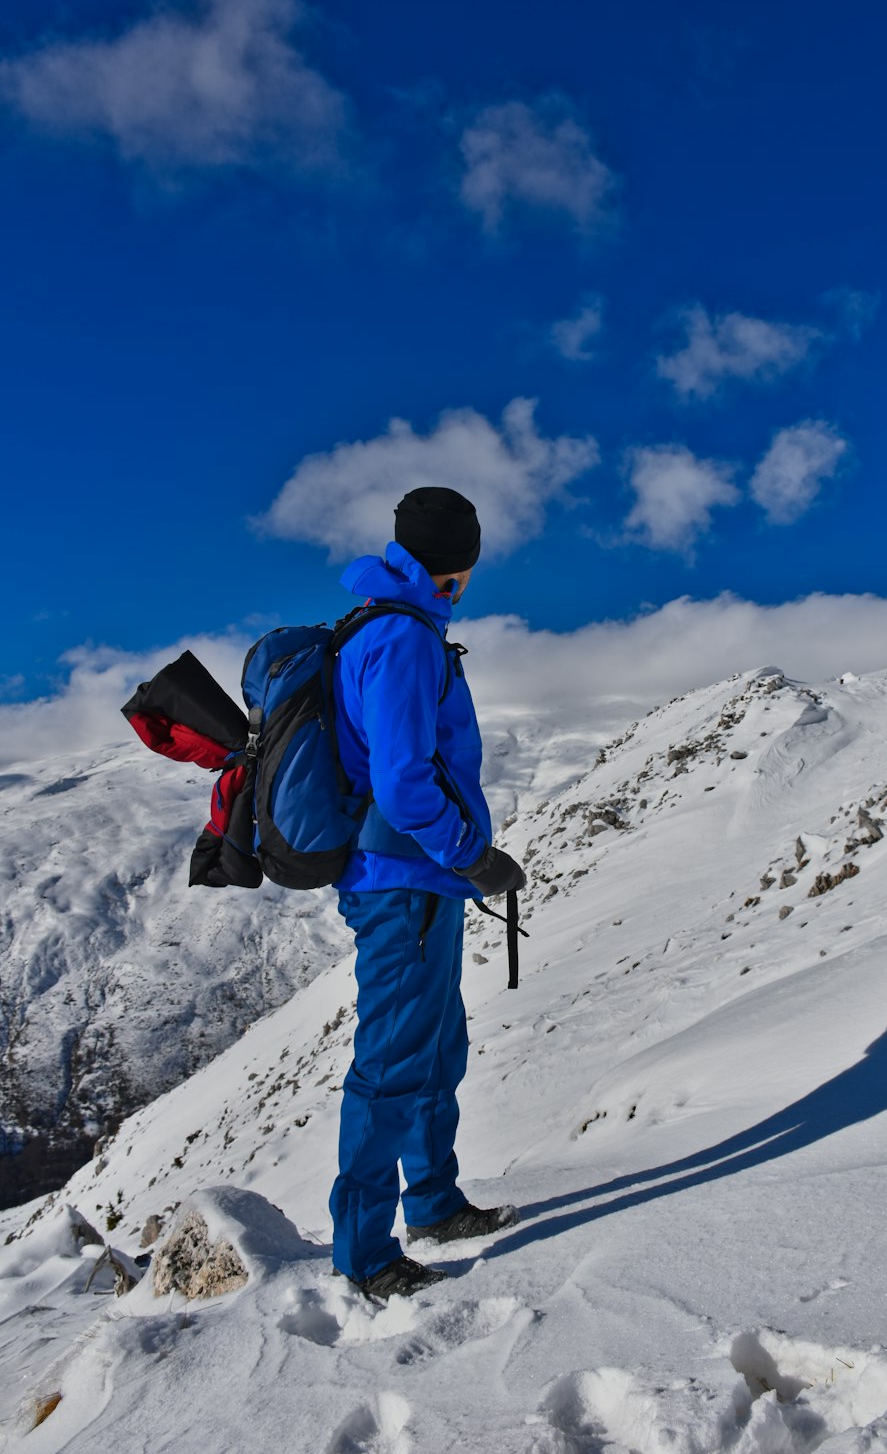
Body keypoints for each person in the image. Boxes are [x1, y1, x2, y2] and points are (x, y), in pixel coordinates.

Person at [329, 486, 526, 1298]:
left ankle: (435, 1204)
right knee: (391, 1064)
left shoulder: (393, 625)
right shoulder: (405, 640)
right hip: (403, 880)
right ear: (458, 567)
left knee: (437, 1049)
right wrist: (473, 857)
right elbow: (405, 784)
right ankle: (366, 1256)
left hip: (418, 881)